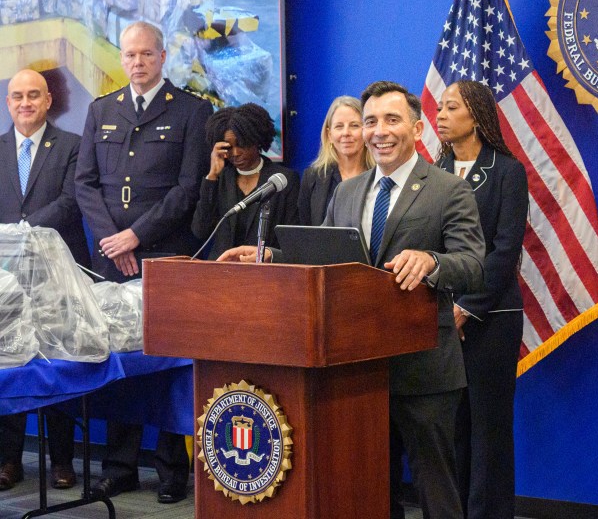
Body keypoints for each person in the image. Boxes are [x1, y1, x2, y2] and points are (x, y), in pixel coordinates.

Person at [218, 81, 485, 519]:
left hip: (424, 368)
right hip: (357, 367)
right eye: (371, 121)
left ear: (417, 129)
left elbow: (473, 263)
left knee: (435, 485)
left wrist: (431, 261)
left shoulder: (447, 189)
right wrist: (269, 256)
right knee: (367, 484)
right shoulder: (347, 191)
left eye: (392, 120)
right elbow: (324, 257)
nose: (379, 131)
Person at [75, 21, 213, 503]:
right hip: (112, 259)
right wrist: (115, 238)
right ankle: (120, 466)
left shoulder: (193, 111)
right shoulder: (100, 110)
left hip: (165, 255)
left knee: (167, 361)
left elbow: (188, 188)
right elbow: (85, 183)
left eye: (146, 55)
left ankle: (173, 467)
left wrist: (137, 234)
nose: (137, 62)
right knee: (119, 359)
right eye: (130, 55)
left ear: (162, 57)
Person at [436, 80, 528, 519]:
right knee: (454, 426)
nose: (439, 114)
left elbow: (506, 248)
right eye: (439, 107)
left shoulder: (507, 171)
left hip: (492, 317)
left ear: (475, 116)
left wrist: (467, 306)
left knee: (489, 429)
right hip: (438, 318)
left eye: (451, 107)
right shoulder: (431, 174)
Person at [0, 69, 90, 491]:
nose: (25, 103)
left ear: (48, 100)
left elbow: (72, 201)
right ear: (8, 102)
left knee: (58, 364)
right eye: (17, 96)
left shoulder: (71, 146)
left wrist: (23, 231)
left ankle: (62, 461)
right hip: (7, 282)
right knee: (12, 363)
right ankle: (9, 461)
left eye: (33, 95)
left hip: (59, 274)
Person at [191, 103, 299, 259]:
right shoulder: (220, 179)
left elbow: (291, 239)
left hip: (267, 273)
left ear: (256, 140)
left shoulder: (282, 180)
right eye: (228, 147)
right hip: (223, 270)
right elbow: (200, 230)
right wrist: (212, 175)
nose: (235, 153)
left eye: (241, 144)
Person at [298, 95, 373, 225]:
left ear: (366, 130)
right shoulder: (312, 177)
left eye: (354, 125)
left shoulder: (381, 175)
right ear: (329, 135)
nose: (346, 133)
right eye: (339, 126)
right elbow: (304, 231)